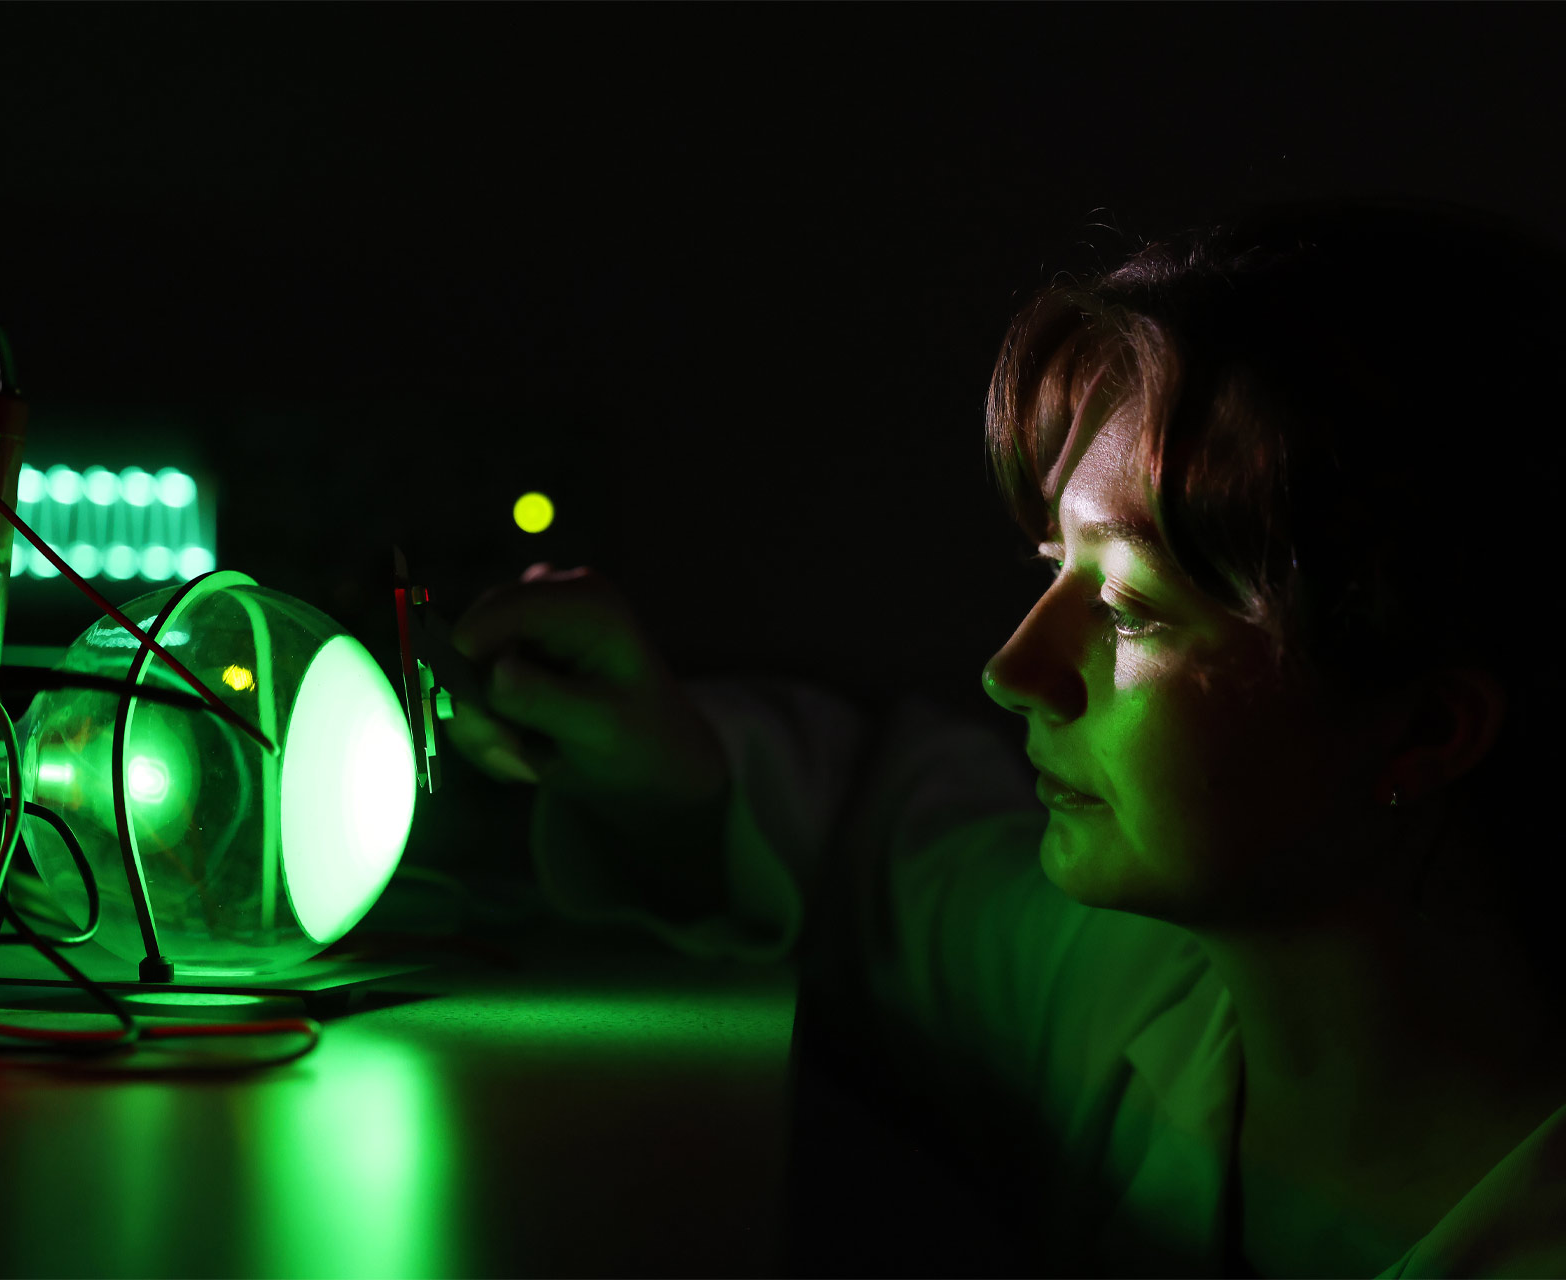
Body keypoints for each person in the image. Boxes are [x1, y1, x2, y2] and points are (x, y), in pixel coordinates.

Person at [439, 196, 1566, 1279]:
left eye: (1126, 607)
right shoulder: (1133, 997)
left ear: (1424, 728)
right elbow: (878, 841)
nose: (1013, 669)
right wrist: (668, 768)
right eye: (1052, 573)